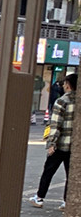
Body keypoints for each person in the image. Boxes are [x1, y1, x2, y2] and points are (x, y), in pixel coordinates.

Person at [29, 69, 74, 209]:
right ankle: (66, 201)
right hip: (74, 146)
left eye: (65, 83)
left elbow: (55, 124)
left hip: (60, 144)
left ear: (68, 85)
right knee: (71, 175)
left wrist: (51, 143)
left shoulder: (62, 101)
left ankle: (39, 197)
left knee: (48, 171)